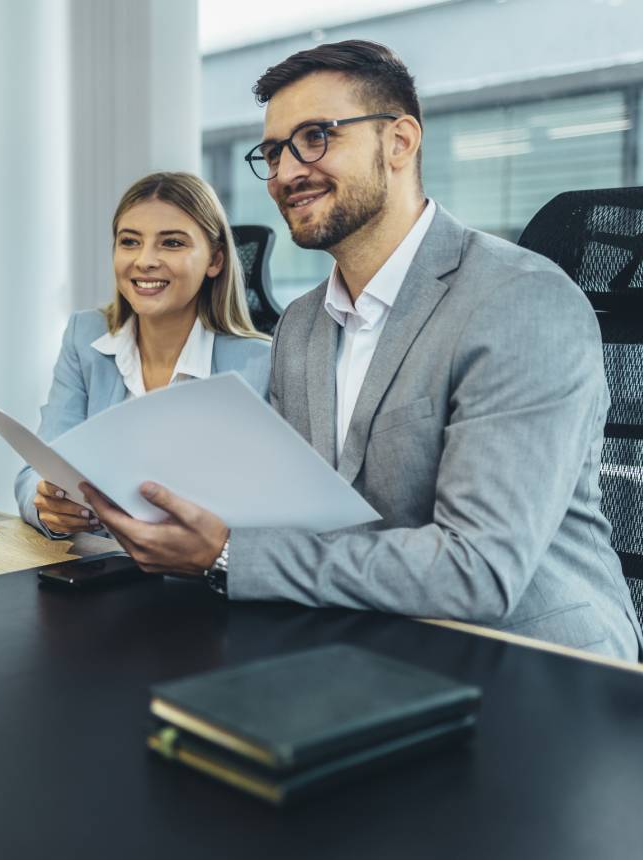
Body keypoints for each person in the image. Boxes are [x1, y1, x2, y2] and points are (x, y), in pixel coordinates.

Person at [82, 41, 643, 660]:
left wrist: (227, 552)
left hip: (538, 666)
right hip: (371, 643)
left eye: (316, 136)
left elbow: (476, 569)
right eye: (273, 152)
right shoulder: (300, 325)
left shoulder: (520, 300)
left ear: (400, 141)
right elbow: (296, 512)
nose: (287, 171)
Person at [16, 172, 270, 539]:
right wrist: (47, 505)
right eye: (130, 241)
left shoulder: (259, 366)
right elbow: (34, 471)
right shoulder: (84, 338)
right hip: (97, 572)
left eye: (171, 243)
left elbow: (267, 513)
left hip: (198, 581)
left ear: (215, 260)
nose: (145, 260)